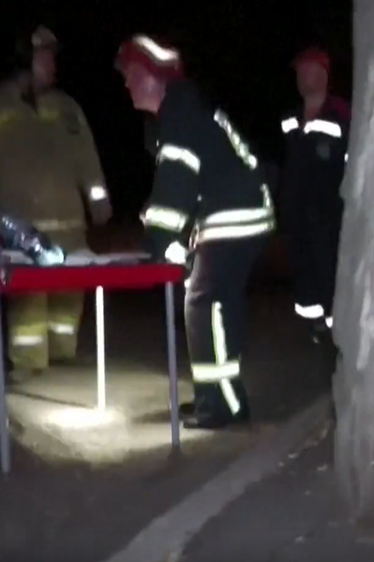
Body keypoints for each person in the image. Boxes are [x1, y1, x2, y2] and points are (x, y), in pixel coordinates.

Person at [116, 34, 275, 429]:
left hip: (234, 214)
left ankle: (218, 405)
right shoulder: (182, 107)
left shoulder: (179, 110)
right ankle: (222, 398)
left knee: (203, 302)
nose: (126, 83)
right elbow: (183, 180)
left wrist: (158, 236)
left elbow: (177, 178)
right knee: (216, 304)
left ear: (155, 76)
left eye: (132, 74)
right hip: (240, 210)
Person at [0, 25, 112, 381]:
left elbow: (87, 159)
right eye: (44, 57)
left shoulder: (67, 108)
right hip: (25, 235)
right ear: (22, 60)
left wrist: (99, 201)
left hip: (72, 230)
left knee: (70, 295)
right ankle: (28, 362)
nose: (53, 64)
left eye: (54, 56)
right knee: (29, 299)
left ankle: (63, 354)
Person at [280, 47, 350, 339]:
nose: (304, 78)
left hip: (329, 215)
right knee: (305, 276)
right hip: (298, 218)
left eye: (309, 71)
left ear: (323, 75)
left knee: (331, 275)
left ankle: (339, 335)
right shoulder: (290, 119)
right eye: (300, 72)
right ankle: (315, 330)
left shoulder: (342, 115)